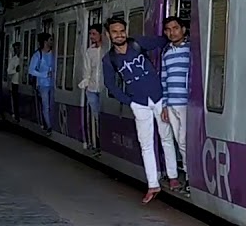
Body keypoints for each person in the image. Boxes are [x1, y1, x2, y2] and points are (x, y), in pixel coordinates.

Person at [102, 16, 181, 203]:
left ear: (126, 31)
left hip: (159, 97)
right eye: (115, 32)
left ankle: (173, 177)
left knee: (166, 137)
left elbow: (163, 40)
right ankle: (153, 184)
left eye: (122, 31)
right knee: (146, 144)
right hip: (139, 103)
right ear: (108, 34)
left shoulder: (138, 43)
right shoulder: (109, 59)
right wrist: (129, 102)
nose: (119, 35)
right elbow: (110, 84)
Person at [159, 16, 190, 190]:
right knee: (179, 141)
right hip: (171, 103)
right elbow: (164, 79)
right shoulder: (166, 53)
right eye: (168, 30)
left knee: (184, 141)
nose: (172, 32)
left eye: (175, 28)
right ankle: (186, 175)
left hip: (186, 103)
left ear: (183, 30)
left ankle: (189, 177)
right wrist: (164, 104)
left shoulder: (191, 50)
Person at [78, 27, 103, 153]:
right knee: (97, 116)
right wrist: (86, 84)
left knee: (102, 117)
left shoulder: (107, 49)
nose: (92, 37)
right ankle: (98, 143)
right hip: (92, 88)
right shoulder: (89, 51)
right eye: (90, 34)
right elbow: (87, 70)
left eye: (94, 34)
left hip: (104, 89)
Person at [28, 34, 55, 135]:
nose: (52, 42)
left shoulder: (53, 53)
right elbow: (31, 70)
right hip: (43, 84)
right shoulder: (37, 55)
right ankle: (49, 126)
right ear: (45, 42)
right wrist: (44, 74)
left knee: (51, 105)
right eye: (50, 40)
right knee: (45, 105)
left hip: (53, 84)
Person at [6, 42, 22, 123]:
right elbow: (9, 71)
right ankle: (16, 115)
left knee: (20, 100)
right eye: (16, 49)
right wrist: (15, 70)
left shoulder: (24, 58)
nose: (17, 50)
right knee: (15, 100)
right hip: (15, 82)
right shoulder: (13, 59)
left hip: (22, 82)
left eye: (18, 48)